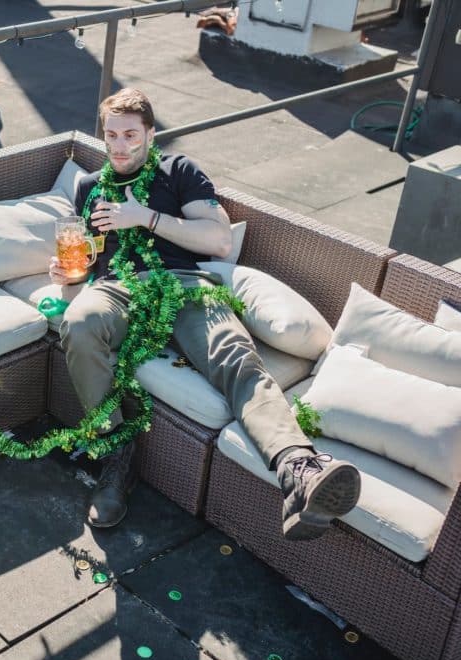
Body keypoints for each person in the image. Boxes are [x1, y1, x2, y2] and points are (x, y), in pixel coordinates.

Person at [52, 88, 360, 535]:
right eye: (111, 135)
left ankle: (299, 468)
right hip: (118, 288)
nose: (119, 146)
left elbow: (217, 240)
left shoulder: (178, 171)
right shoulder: (88, 186)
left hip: (184, 286)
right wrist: (68, 272)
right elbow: (90, 260)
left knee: (235, 356)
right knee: (78, 323)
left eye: (130, 135)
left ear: (151, 135)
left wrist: (144, 217)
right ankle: (117, 459)